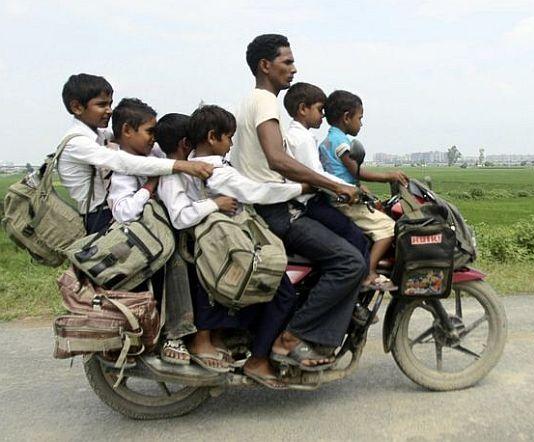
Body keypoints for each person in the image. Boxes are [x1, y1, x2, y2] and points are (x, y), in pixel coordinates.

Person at [229, 34, 367, 370]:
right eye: (287, 62)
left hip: (271, 205)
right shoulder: (264, 102)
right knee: (350, 263)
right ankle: (293, 337)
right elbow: (277, 159)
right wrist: (332, 186)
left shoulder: (251, 101)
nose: (294, 69)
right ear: (266, 65)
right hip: (277, 212)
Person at [157, 107, 303, 388]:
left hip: (221, 242)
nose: (232, 144)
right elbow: (256, 191)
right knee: (278, 290)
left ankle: (236, 341)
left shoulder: (197, 168)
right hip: (219, 244)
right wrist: (304, 187)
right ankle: (256, 358)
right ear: (211, 137)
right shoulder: (209, 170)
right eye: (229, 137)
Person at [57, 73, 213, 234]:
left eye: (110, 104)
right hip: (99, 217)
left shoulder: (100, 134)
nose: (109, 110)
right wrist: (181, 165)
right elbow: (124, 161)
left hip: (110, 211)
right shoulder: (77, 143)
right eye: (102, 105)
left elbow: (131, 141)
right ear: (77, 107)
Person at [106, 101, 196, 366]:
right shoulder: (124, 166)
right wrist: (150, 184)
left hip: (163, 231)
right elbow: (123, 211)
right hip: (144, 241)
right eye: (150, 131)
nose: (154, 138)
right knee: (176, 260)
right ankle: (175, 335)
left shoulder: (152, 152)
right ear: (127, 131)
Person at [320, 90, 409, 288]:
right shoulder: (341, 141)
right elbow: (357, 171)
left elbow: (344, 174)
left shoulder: (328, 140)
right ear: (346, 118)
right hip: (346, 202)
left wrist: (363, 189)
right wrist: (390, 175)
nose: (361, 123)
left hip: (338, 199)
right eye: (360, 118)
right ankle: (369, 272)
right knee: (388, 228)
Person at [283, 82, 370, 260]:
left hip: (305, 202)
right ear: (303, 109)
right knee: (356, 237)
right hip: (309, 203)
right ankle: (365, 278)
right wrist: (348, 188)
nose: (323, 115)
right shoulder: (303, 138)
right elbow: (316, 175)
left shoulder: (297, 135)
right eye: (319, 109)